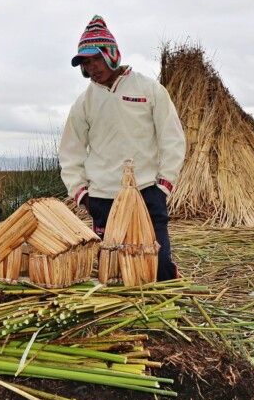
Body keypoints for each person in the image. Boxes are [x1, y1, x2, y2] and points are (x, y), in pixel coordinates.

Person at [59, 15, 186, 281]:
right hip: (103, 198)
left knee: (158, 263)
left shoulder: (149, 90)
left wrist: (163, 186)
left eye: (96, 58)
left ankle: (164, 311)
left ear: (112, 54)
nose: (92, 67)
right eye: (86, 62)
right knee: (114, 270)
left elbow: (172, 138)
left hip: (146, 192)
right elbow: (70, 152)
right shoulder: (84, 103)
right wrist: (82, 195)